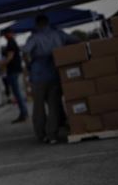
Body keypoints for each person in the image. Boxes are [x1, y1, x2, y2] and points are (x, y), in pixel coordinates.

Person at [22, 14, 79, 144]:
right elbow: (76, 40)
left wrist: (29, 65)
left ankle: (41, 135)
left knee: (39, 108)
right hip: (55, 74)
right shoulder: (58, 34)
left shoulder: (34, 37)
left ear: (37, 24)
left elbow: (25, 52)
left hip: (38, 76)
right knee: (54, 106)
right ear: (48, 23)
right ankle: (52, 134)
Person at [0, 29, 29, 123]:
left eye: (5, 34)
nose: (4, 36)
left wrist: (1, 63)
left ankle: (23, 113)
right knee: (18, 93)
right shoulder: (11, 42)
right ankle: (24, 112)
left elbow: (10, 57)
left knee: (17, 93)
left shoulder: (11, 43)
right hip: (14, 70)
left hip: (13, 71)